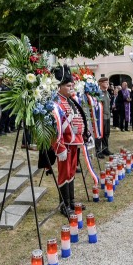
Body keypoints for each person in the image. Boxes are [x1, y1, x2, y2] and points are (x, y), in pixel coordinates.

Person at [51, 65, 91, 218]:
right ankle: (64, 204)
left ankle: (71, 201)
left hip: (74, 143)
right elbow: (54, 128)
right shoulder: (56, 103)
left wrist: (83, 134)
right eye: (68, 85)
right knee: (64, 174)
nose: (71, 87)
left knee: (72, 172)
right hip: (64, 145)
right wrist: (58, 146)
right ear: (59, 87)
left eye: (72, 85)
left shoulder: (70, 101)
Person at [96, 77, 112, 158]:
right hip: (100, 117)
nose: (107, 84)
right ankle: (98, 151)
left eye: (107, 82)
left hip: (107, 116)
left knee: (106, 133)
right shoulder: (98, 93)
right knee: (100, 134)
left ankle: (105, 149)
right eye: (106, 82)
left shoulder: (107, 93)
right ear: (101, 83)